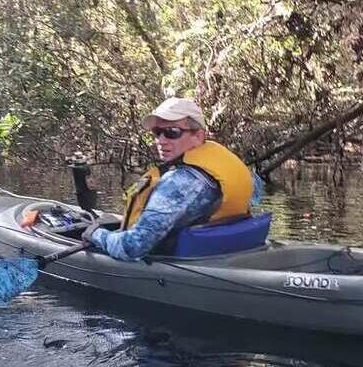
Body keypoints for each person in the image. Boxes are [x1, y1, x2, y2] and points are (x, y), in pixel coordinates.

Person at [84, 97, 254, 262]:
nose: (161, 141)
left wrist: (95, 233)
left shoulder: (179, 183)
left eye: (172, 132)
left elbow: (132, 247)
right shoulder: (226, 162)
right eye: (157, 132)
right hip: (227, 251)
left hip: (185, 264)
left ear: (198, 135)